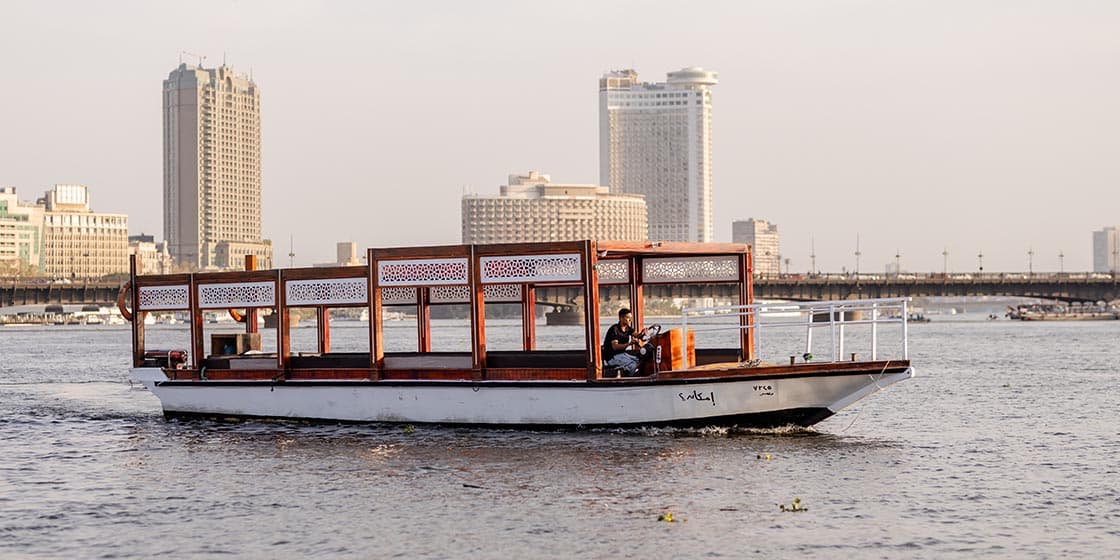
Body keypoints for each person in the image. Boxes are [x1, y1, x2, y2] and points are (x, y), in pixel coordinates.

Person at [602, 307, 651, 376]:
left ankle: (633, 374)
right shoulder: (614, 329)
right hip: (612, 357)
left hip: (622, 354)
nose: (630, 320)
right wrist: (629, 344)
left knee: (639, 360)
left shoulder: (628, 328)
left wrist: (643, 333)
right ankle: (631, 378)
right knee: (633, 364)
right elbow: (615, 347)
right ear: (621, 318)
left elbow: (638, 335)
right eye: (628, 317)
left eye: (631, 318)